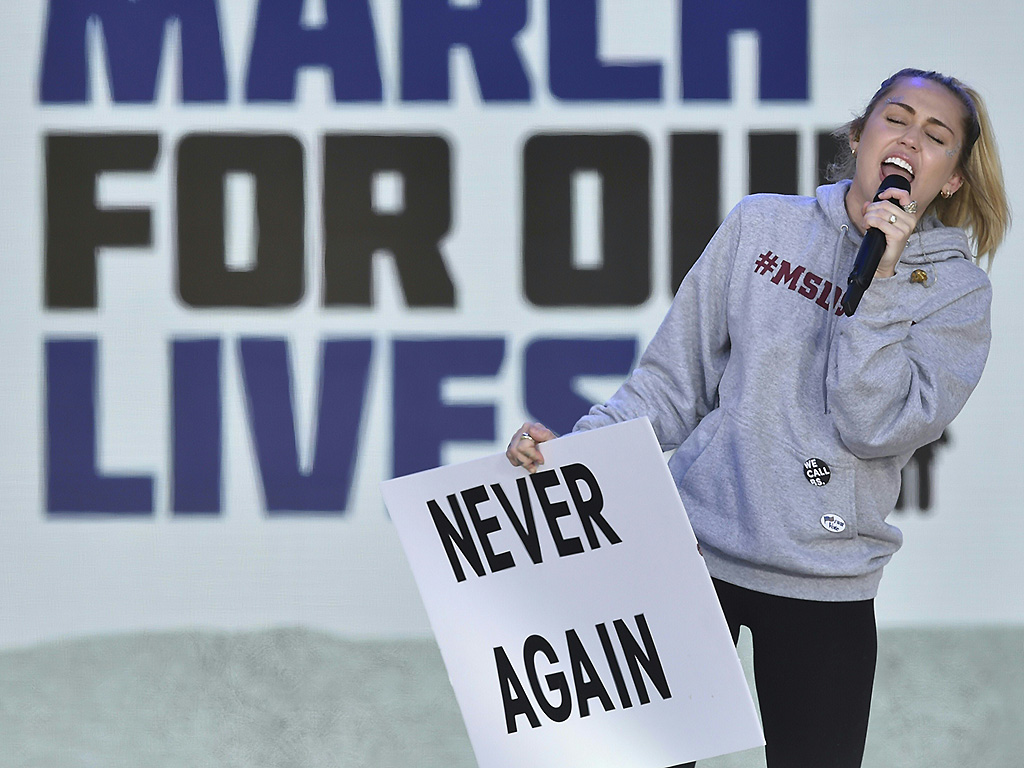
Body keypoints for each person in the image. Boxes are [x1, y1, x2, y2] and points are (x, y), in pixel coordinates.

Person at [505, 69, 1010, 768]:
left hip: (826, 584)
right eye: (896, 119)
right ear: (860, 136)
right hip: (692, 559)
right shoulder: (760, 226)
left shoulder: (956, 294)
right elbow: (670, 385)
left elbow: (874, 426)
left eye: (936, 136)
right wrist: (572, 458)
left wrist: (883, 280)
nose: (909, 140)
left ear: (951, 179)